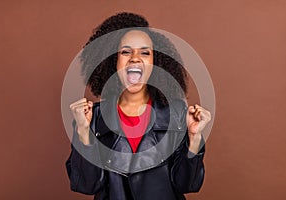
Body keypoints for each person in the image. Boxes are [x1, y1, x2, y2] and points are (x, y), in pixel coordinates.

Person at [66, 12, 211, 200]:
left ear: (156, 63)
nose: (135, 58)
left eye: (145, 52)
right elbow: (87, 185)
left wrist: (195, 137)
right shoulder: (92, 117)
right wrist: (84, 131)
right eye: (126, 51)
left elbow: (188, 184)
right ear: (112, 62)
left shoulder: (177, 114)